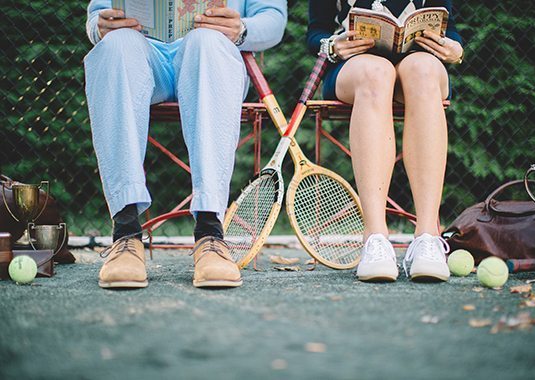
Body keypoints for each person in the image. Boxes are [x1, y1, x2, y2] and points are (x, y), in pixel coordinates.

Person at [84, 0, 287, 289]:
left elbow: (274, 18)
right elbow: (98, 14)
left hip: (210, 57)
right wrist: (99, 27)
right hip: (143, 54)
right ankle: (126, 235)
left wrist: (241, 28)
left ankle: (210, 235)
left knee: (207, 41)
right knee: (117, 44)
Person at [307, 0, 464, 282]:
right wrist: (332, 46)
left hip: (420, 66)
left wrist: (454, 48)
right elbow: (315, 32)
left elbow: (450, 30)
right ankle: (375, 239)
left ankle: (428, 238)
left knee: (423, 70)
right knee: (376, 73)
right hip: (355, 68)